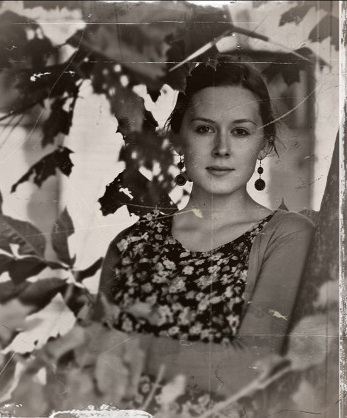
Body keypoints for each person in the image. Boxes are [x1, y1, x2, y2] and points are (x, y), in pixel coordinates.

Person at [92, 56, 315, 415]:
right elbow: (86, 371)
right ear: (178, 139)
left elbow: (247, 370)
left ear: (264, 143)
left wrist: (128, 349)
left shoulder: (285, 235)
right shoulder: (130, 243)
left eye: (240, 131)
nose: (222, 149)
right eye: (204, 129)